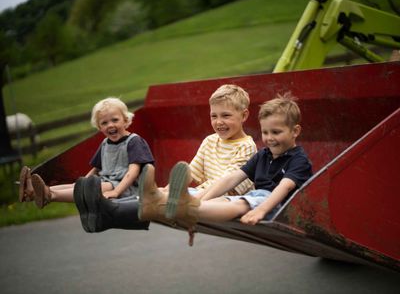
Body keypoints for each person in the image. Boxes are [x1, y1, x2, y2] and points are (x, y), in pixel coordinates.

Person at [138, 94, 313, 245]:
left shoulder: (298, 160)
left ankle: (184, 207)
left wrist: (261, 210)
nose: (269, 138)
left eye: (276, 132)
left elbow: (285, 187)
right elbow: (232, 178)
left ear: (295, 131)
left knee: (241, 203)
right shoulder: (263, 155)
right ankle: (160, 202)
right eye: (265, 132)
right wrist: (202, 200)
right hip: (256, 198)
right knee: (221, 201)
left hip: (280, 206)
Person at [19, 97, 154, 209]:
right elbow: (96, 168)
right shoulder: (105, 144)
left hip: (127, 189)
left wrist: (116, 192)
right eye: (104, 123)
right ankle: (33, 192)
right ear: (99, 127)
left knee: (92, 187)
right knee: (78, 185)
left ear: (125, 120)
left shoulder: (133, 141)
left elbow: (133, 172)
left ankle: (50, 195)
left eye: (115, 120)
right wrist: (83, 181)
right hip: (106, 183)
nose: (110, 125)